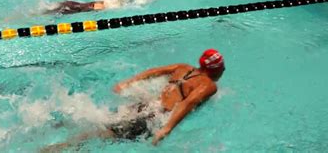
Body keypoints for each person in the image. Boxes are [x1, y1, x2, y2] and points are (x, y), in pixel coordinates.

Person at [43, 49, 225, 151]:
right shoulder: (209, 85)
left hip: (145, 106)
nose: (223, 71)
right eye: (222, 68)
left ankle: (58, 125)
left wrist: (128, 83)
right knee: (102, 136)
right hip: (153, 118)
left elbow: (153, 71)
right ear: (215, 70)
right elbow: (188, 103)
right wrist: (166, 129)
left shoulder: (183, 67)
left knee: (104, 121)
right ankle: (57, 149)